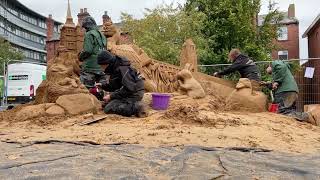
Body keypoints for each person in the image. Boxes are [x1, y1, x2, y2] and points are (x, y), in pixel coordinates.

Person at [96, 50, 146, 117]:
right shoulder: (115, 67)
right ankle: (132, 105)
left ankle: (137, 107)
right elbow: (114, 86)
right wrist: (102, 86)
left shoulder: (122, 68)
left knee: (108, 108)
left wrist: (111, 96)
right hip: (129, 91)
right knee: (108, 104)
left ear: (107, 63)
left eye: (102, 66)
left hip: (134, 93)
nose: (101, 68)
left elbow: (129, 89)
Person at [79, 16, 107, 91]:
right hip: (101, 67)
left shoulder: (89, 34)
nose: (85, 29)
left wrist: (80, 56)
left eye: (85, 28)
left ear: (87, 26)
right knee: (102, 88)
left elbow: (88, 50)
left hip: (90, 67)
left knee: (85, 89)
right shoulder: (102, 35)